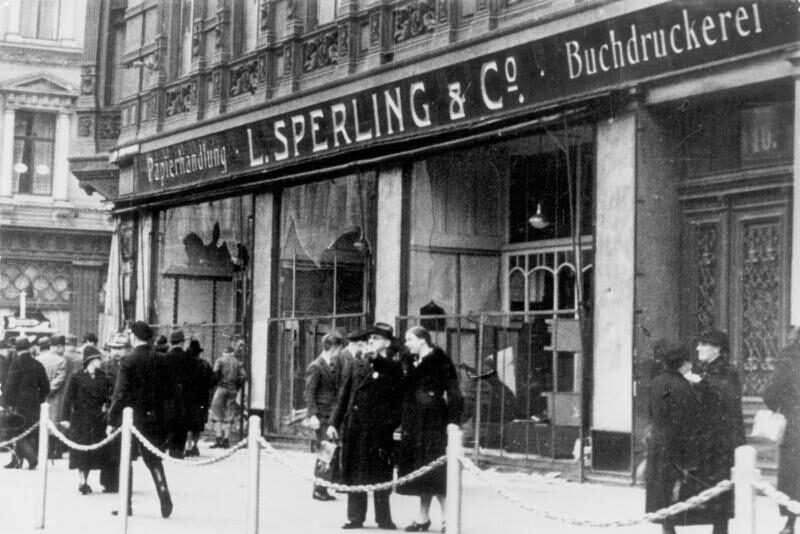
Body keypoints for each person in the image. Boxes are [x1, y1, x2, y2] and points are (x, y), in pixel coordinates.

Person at [327, 322, 404, 530]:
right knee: (354, 471)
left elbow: (398, 403)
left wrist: (388, 426)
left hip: (379, 430)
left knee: (380, 472)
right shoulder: (357, 364)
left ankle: (383, 518)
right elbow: (344, 395)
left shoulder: (393, 367)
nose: (371, 342)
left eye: (376, 339)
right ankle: (355, 517)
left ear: (387, 343)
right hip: (355, 427)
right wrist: (334, 422)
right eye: (369, 339)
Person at [397, 326, 463, 533]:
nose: (406, 344)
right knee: (420, 471)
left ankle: (447, 520)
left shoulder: (441, 360)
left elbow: (454, 393)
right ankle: (423, 518)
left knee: (436, 471)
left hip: (433, 421)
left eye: (409, 339)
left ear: (422, 340)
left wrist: (453, 421)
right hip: (413, 422)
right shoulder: (408, 360)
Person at [106, 321, 172, 518]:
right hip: (153, 416)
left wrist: (111, 419)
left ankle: (125, 504)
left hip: (131, 418)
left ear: (134, 337)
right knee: (153, 459)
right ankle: (164, 494)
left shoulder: (129, 361)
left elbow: (120, 394)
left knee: (125, 459)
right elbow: (166, 391)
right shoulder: (161, 359)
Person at [683, 329, 745, 534]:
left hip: (721, 443)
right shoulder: (704, 370)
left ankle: (720, 530)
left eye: (704, 344)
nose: (698, 348)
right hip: (706, 441)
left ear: (717, 348)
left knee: (720, 489)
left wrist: (701, 383)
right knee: (706, 490)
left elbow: (727, 396)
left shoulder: (727, 371)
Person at [644, 341, 700, 534]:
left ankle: (667, 529)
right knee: (675, 486)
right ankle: (670, 529)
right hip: (676, 441)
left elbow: (651, 410)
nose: (691, 366)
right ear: (681, 364)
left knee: (661, 486)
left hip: (659, 438)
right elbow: (688, 417)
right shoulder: (683, 386)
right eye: (689, 362)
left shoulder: (658, 381)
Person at [60, 345, 114, 494]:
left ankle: (86, 480)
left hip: (97, 420)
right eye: (98, 359)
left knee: (92, 452)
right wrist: (65, 418)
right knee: (81, 451)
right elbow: (67, 398)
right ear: (90, 360)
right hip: (80, 419)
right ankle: (82, 481)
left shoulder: (102, 376)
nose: (100, 361)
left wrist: (107, 406)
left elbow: (111, 395)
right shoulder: (76, 377)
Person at [763, 326, 800, 534]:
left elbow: (771, 393)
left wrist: (779, 406)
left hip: (796, 424)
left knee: (794, 474)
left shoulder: (788, 358)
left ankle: (790, 523)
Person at [304, 331, 346, 501]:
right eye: (339, 349)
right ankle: (319, 488)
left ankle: (325, 486)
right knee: (325, 451)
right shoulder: (316, 366)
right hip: (321, 415)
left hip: (330, 415)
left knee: (330, 449)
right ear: (334, 348)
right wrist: (312, 415)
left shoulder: (331, 365)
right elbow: (310, 392)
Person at [0, 338, 49, 469]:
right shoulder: (37, 364)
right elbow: (46, 387)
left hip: (19, 404)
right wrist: (40, 399)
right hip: (34, 404)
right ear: (29, 348)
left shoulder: (16, 363)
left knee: (18, 432)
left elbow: (10, 385)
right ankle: (17, 460)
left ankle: (30, 458)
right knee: (28, 431)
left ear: (17, 349)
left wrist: (5, 403)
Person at [164, 330, 194, 458]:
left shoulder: (166, 357)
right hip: (184, 396)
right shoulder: (188, 358)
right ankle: (179, 450)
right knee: (182, 424)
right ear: (182, 342)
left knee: (171, 423)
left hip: (169, 396)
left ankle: (171, 449)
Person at [210, 345, 247, 448]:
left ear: (224, 352)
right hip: (233, 389)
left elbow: (215, 373)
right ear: (232, 352)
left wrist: (216, 382)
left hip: (221, 388)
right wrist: (237, 385)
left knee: (216, 413)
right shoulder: (238, 362)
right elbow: (244, 376)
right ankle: (226, 439)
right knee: (229, 414)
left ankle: (218, 438)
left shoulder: (220, 360)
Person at [184, 339, 215, 457]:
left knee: (187, 423)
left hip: (187, 397)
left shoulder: (185, 363)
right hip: (201, 397)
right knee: (198, 424)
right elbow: (211, 381)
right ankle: (195, 445)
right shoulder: (204, 364)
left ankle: (188, 445)